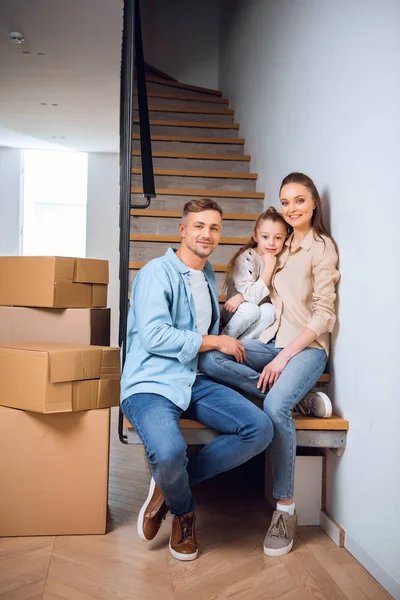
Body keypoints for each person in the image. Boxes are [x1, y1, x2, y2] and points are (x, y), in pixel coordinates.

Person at [120, 197, 274, 562]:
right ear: (183, 230)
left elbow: (204, 325)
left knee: (259, 428)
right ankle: (184, 511)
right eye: (199, 226)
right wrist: (215, 341)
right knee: (170, 452)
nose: (207, 234)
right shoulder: (157, 272)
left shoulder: (207, 275)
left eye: (214, 228)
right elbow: (155, 335)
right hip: (151, 384)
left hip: (193, 378)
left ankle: (171, 484)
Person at [199, 173, 340, 557]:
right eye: (286, 201)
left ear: (313, 204)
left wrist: (285, 355)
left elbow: (323, 315)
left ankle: (285, 509)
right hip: (270, 342)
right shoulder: (278, 243)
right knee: (212, 357)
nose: (292, 208)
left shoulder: (321, 248)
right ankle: (303, 400)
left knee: (276, 407)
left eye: (299, 201)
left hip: (306, 348)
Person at [222, 207, 289, 340]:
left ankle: (243, 344)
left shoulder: (282, 258)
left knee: (270, 310)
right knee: (250, 309)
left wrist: (243, 296)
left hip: (259, 311)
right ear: (255, 236)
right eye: (265, 237)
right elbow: (252, 297)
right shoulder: (246, 259)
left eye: (278, 238)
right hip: (237, 311)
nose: (271, 243)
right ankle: (225, 338)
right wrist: (269, 269)